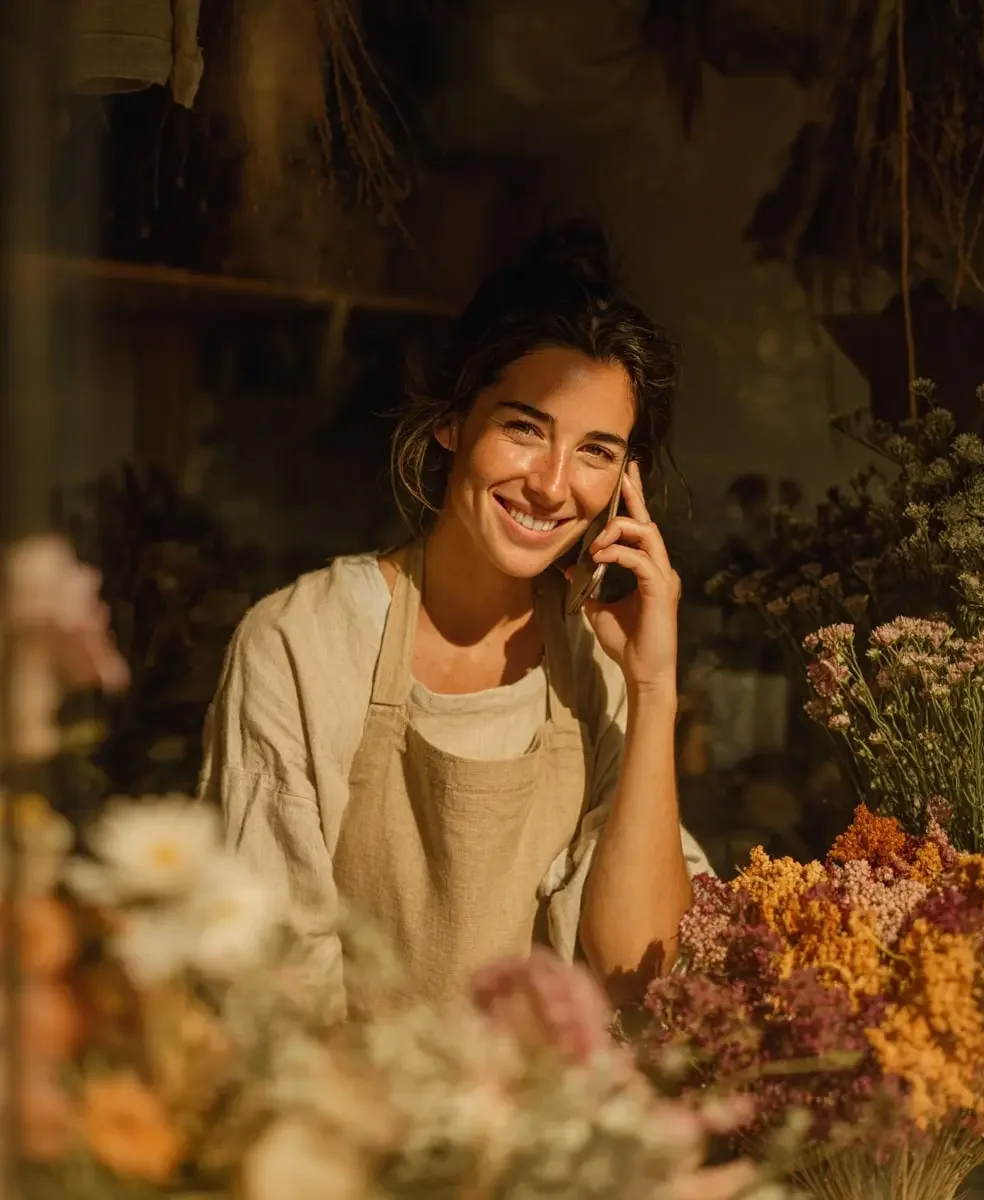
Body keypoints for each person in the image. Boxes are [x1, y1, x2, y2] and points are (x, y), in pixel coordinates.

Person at [198, 220, 710, 1019]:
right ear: (450, 419)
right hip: (347, 1098)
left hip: (563, 1101)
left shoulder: (603, 662)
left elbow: (633, 976)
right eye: (524, 428)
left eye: (596, 451)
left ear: (625, 482)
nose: (552, 485)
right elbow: (270, 991)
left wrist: (652, 689)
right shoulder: (303, 643)